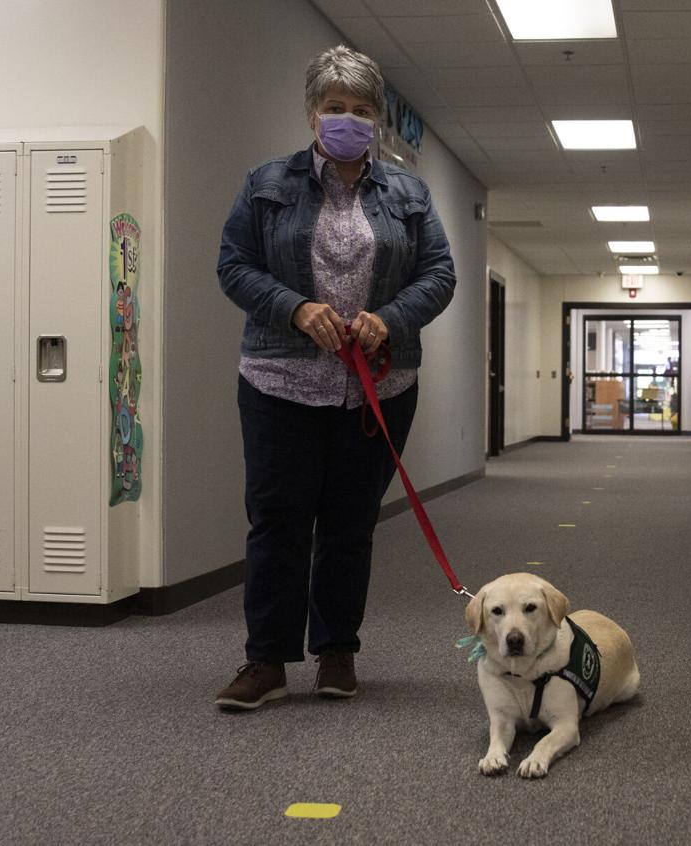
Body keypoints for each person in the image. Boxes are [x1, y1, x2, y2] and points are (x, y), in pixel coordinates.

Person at [214, 45, 456, 710]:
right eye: (334, 108)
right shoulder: (267, 184)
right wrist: (294, 308)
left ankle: (336, 651)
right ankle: (264, 661)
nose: (346, 120)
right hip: (278, 382)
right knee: (277, 522)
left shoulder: (408, 194)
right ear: (312, 114)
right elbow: (234, 266)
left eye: (360, 110)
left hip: (376, 389)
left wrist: (392, 319)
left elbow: (439, 275)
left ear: (377, 121)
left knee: (350, 525)